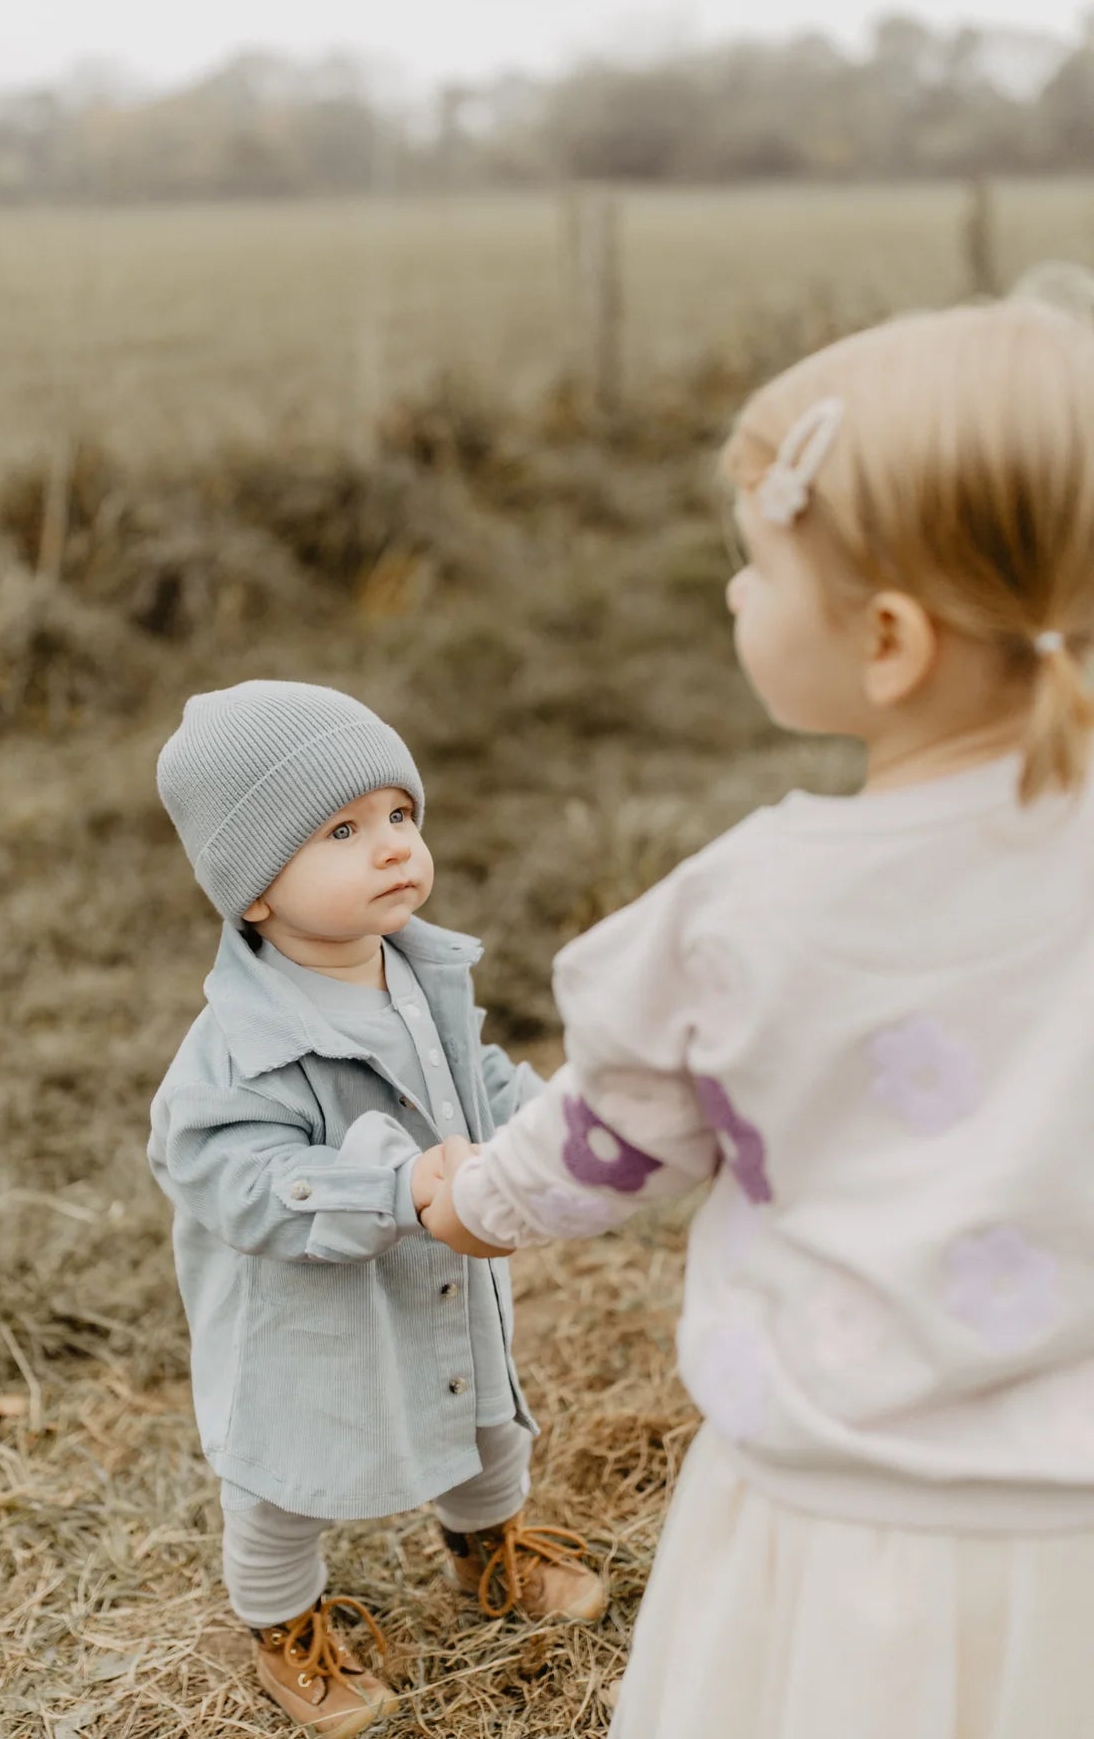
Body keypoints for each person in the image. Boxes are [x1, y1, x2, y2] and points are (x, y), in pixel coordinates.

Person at [420, 294, 1094, 1738]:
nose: (734, 595)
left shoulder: (746, 916)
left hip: (848, 1532)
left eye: (758, 567)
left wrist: (465, 1198)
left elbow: (603, 1143)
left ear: (891, 640)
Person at [150, 681, 604, 1737]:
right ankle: (284, 1626)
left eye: (400, 813)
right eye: (344, 831)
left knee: (487, 1420)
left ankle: (487, 1550)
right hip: (311, 1318)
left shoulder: (417, 972)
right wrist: (395, 1187)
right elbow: (237, 1177)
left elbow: (477, 1079)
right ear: (254, 892)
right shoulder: (238, 1049)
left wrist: (561, 1123)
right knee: (285, 1482)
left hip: (443, 1280)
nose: (395, 844)